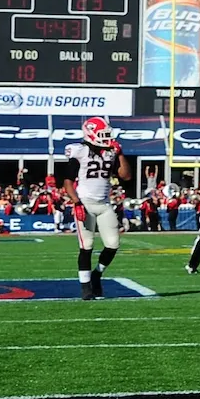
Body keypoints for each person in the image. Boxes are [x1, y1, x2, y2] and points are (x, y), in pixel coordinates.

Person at [63, 116, 130, 300]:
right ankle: (86, 288)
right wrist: (76, 202)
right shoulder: (80, 151)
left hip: (104, 204)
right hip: (85, 202)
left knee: (113, 244)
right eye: (102, 134)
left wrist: (121, 153)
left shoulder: (111, 152)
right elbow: (68, 182)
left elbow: (126, 176)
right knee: (87, 246)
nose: (107, 138)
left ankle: (97, 274)